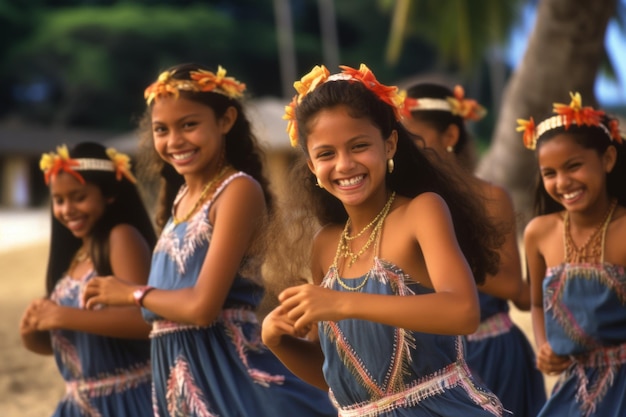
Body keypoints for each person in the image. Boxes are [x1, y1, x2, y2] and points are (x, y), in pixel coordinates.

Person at [82, 63, 336, 417]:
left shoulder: (237, 191)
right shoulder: (180, 199)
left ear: (226, 121)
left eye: (189, 125)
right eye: (162, 129)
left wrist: (131, 293)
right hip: (181, 373)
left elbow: (202, 308)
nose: (174, 141)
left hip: (228, 373)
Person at [261, 63, 505, 416]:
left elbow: (463, 311)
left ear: (389, 144)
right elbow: (337, 377)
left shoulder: (421, 212)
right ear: (312, 166)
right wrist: (278, 342)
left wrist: (342, 303)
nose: (344, 165)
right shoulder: (325, 245)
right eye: (326, 154)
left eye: (359, 146)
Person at [402, 82, 546, 416]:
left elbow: (512, 285)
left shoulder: (490, 198)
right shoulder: (402, 207)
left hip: (490, 351)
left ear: (451, 136)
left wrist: (441, 248)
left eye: (415, 138)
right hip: (429, 359)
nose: (406, 149)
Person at [20, 142, 156, 416]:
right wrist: (32, 333)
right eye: (59, 200)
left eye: (78, 197)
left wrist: (61, 316)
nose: (67, 209)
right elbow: (79, 343)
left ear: (109, 195)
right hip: (76, 404)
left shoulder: (121, 237)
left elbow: (145, 321)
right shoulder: (75, 257)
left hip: (125, 401)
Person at [521, 92, 626, 417]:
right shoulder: (539, 233)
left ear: (608, 159)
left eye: (574, 166)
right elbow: (537, 302)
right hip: (574, 386)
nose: (563, 182)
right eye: (549, 173)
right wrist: (544, 347)